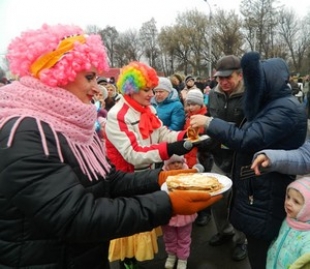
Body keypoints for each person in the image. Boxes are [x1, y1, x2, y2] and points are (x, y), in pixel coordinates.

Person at [0, 23, 221, 269]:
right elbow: (77, 216)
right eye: (89, 77)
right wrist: (167, 203)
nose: (98, 88)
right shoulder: (26, 131)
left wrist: (161, 177)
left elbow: (107, 179)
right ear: (57, 73)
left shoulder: (72, 121)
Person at [190, 51, 308, 269]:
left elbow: (247, 138)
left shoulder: (284, 109)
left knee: (261, 250)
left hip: (265, 188)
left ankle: (240, 244)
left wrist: (210, 122)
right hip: (254, 181)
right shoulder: (271, 104)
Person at [105, 61, 205, 268]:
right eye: (146, 89)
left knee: (141, 227)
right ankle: (127, 262)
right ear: (130, 89)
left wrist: (188, 136)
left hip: (147, 176)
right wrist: (170, 149)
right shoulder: (117, 115)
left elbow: (163, 134)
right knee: (129, 231)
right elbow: (132, 154)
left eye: (152, 89)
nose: (151, 94)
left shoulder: (147, 109)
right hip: (126, 181)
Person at [199, 55, 247, 261]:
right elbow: (211, 120)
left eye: (229, 78)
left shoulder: (250, 95)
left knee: (239, 202)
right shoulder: (214, 95)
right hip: (219, 157)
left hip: (241, 158)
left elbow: (249, 130)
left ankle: (240, 240)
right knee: (216, 198)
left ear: (240, 75)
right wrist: (205, 141)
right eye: (220, 78)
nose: (224, 82)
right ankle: (225, 231)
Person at [161, 155, 198, 269]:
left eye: (179, 162)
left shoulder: (189, 175)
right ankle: (171, 255)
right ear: (167, 165)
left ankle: (182, 258)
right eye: (173, 163)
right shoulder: (161, 177)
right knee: (169, 237)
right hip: (168, 215)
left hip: (184, 214)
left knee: (184, 237)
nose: (177, 165)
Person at [183, 89, 213, 226]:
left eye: (193, 104)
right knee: (192, 184)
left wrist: (199, 141)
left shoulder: (207, 117)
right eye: (188, 104)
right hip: (189, 156)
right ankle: (195, 210)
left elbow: (212, 140)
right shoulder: (188, 117)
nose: (190, 107)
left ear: (200, 104)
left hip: (203, 157)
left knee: (203, 185)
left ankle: (205, 213)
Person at [266, 177, 310, 269]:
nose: (288, 203)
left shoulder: (307, 235)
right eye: (288, 197)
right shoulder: (288, 220)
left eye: (296, 201)